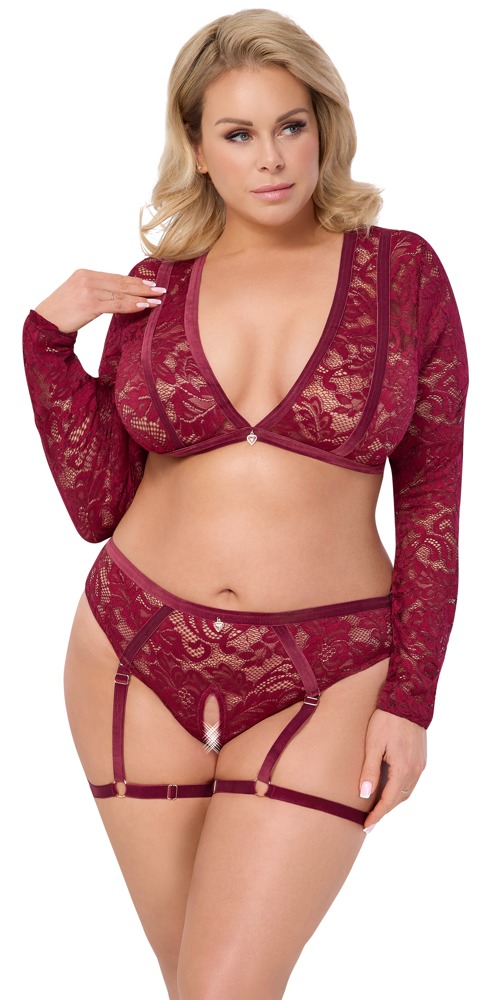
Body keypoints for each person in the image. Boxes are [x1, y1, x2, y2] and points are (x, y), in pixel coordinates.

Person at [22, 8, 468, 999]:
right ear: (196, 147)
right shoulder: (156, 287)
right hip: (132, 655)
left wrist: (411, 700)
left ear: (324, 127)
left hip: (330, 671)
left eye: (290, 125)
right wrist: (46, 344)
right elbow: (99, 505)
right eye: (237, 133)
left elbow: (433, 501)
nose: (270, 158)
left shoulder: (403, 273)